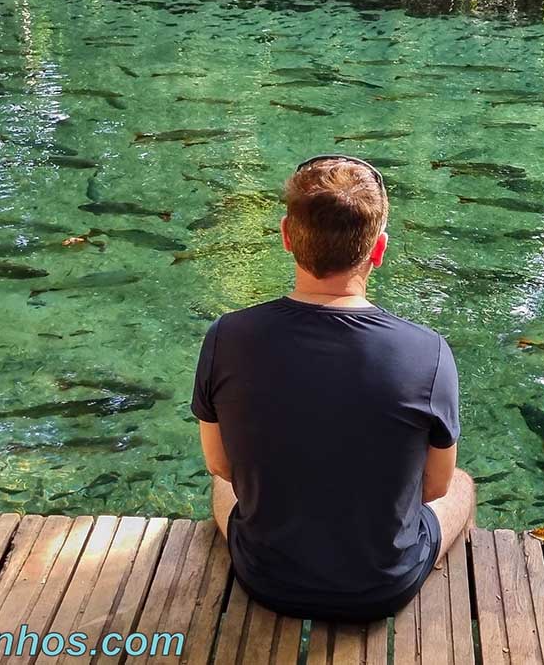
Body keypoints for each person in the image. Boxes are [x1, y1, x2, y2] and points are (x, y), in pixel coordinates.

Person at [191, 154, 476, 622]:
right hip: (382, 589)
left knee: (224, 488)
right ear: (378, 250)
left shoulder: (227, 336)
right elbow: (434, 486)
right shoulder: (428, 352)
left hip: (266, 581)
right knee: (462, 484)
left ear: (286, 236)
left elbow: (220, 464)